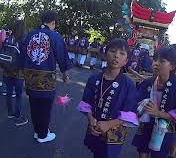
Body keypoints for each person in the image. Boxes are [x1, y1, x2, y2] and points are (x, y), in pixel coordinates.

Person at [78, 38, 139, 158]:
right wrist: (90, 119)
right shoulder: (94, 79)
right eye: (112, 51)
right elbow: (86, 103)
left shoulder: (128, 84)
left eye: (121, 53)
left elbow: (130, 114)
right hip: (95, 127)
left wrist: (109, 124)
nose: (116, 56)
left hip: (114, 132)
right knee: (96, 152)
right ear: (105, 54)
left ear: (126, 60)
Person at [21, 10, 72, 143]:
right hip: (46, 79)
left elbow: (22, 54)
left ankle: (38, 131)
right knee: (45, 107)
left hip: (30, 77)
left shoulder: (30, 34)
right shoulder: (55, 36)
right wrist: (65, 73)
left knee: (34, 105)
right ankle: (43, 135)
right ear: (53, 22)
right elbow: (62, 56)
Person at [132, 46, 176, 158]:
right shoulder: (147, 83)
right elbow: (134, 101)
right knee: (142, 152)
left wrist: (158, 113)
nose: (156, 63)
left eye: (162, 61)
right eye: (155, 59)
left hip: (163, 129)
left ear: (172, 66)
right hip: (146, 124)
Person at [2, 20, 28, 126]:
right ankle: (18, 117)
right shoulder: (23, 40)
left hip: (6, 71)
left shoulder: (8, 39)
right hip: (18, 72)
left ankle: (10, 113)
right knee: (18, 95)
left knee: (9, 92)